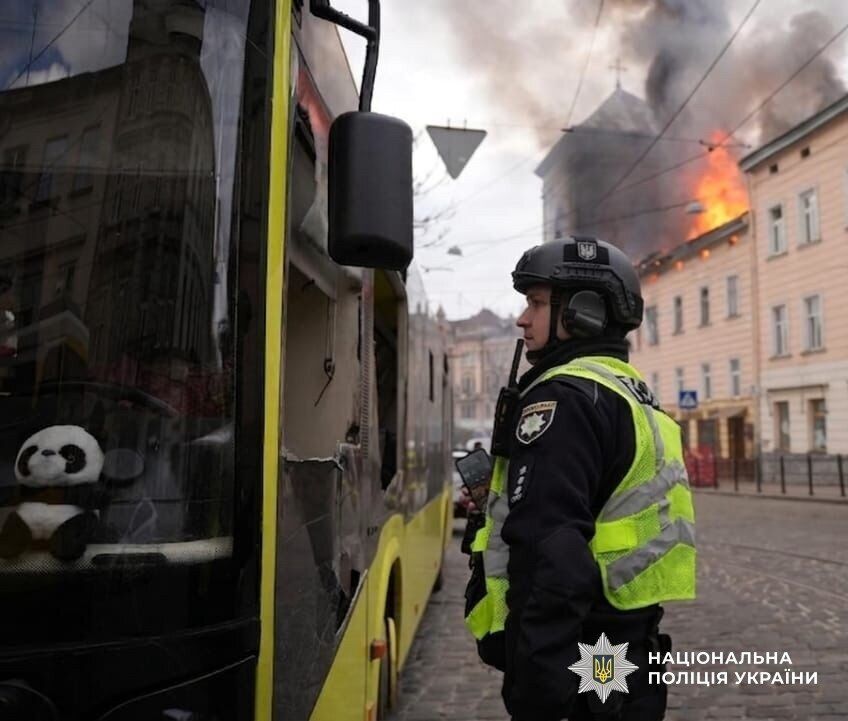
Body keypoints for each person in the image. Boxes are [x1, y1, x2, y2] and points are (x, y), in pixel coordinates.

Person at [463, 236, 696, 721]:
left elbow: (552, 552)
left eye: (537, 303)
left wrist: (539, 692)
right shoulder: (628, 395)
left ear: (582, 313)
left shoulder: (564, 400)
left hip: (584, 659)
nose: (522, 319)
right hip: (624, 646)